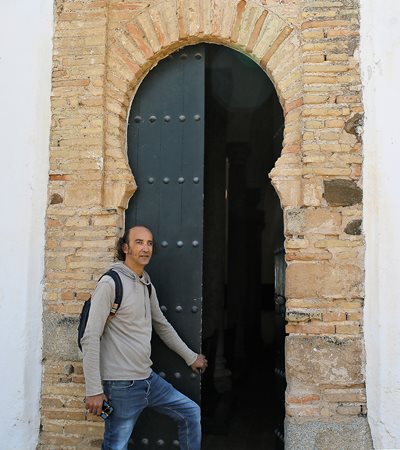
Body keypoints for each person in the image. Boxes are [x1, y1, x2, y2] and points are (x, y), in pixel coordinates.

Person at [81, 226, 207, 450]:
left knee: (190, 412)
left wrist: (190, 357)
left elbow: (162, 325)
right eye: (139, 242)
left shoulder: (146, 283)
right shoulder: (110, 283)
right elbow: (90, 336)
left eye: (149, 243)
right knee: (116, 446)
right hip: (121, 386)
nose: (145, 248)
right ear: (125, 247)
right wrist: (94, 390)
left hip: (148, 380)